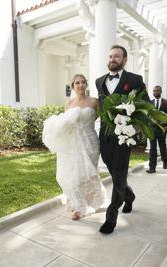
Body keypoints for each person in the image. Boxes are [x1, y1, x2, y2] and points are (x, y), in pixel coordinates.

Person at [95, 45, 149, 234]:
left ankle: (111, 216)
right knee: (115, 172)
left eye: (117, 56)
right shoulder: (99, 81)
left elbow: (146, 105)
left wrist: (134, 127)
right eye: (110, 56)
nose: (112, 59)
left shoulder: (134, 80)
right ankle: (129, 195)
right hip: (105, 135)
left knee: (119, 172)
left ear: (125, 60)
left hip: (124, 136)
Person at [42, 74, 107, 221]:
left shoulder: (95, 102)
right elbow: (65, 125)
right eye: (77, 83)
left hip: (90, 142)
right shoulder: (69, 104)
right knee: (74, 174)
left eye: (83, 82)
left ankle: (94, 200)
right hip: (72, 144)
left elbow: (101, 120)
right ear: (73, 86)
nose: (81, 85)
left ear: (86, 84)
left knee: (90, 172)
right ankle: (78, 206)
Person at [147, 85, 167, 173]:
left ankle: (165, 161)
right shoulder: (150, 102)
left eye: (157, 91)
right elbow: (148, 116)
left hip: (162, 128)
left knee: (162, 146)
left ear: (161, 92)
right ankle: (152, 167)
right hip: (152, 129)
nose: (155, 92)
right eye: (154, 91)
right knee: (152, 148)